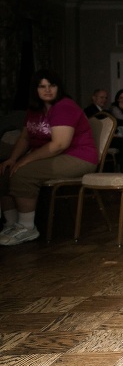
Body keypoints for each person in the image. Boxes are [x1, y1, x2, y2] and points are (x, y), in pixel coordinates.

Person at [0, 69, 98, 245]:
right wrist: (13, 159)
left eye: (51, 85)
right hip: (53, 155)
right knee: (6, 170)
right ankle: (12, 223)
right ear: (35, 90)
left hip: (78, 157)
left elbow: (59, 144)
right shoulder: (34, 110)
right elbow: (25, 137)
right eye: (42, 86)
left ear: (58, 87)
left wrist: (25, 161)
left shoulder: (65, 106)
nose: (47, 90)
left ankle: (27, 227)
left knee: (24, 173)